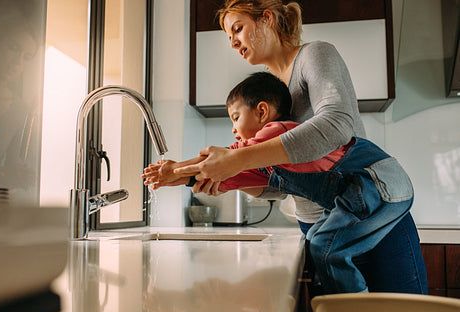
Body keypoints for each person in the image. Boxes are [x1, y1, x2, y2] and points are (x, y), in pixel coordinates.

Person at [167, 0, 427, 295]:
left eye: (238, 29)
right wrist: (229, 177)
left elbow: (336, 124)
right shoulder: (269, 89)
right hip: (316, 227)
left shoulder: (314, 55)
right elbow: (281, 182)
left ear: (266, 19)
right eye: (229, 37)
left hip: (370, 217)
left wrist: (236, 160)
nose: (232, 42)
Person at [143, 72, 421, 294]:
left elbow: (227, 158)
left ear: (262, 112)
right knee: (316, 240)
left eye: (236, 118)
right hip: (361, 192)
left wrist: (175, 168)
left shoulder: (279, 132)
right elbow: (223, 171)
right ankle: (349, 305)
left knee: (324, 245)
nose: (233, 129)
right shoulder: (263, 163)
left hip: (378, 182)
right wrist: (172, 177)